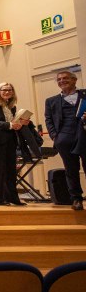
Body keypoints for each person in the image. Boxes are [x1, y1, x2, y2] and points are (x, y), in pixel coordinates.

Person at [44, 70, 86, 210]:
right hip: (64, 138)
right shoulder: (51, 101)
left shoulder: (84, 95)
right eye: (59, 79)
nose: (62, 81)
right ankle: (76, 199)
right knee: (71, 170)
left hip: (84, 135)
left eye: (65, 78)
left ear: (74, 80)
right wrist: (55, 136)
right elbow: (48, 119)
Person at [0, 82, 29, 205]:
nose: (7, 92)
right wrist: (9, 125)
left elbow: (13, 123)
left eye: (10, 90)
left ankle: (12, 198)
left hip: (11, 140)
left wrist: (20, 124)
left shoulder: (12, 106)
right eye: (4, 90)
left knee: (11, 171)